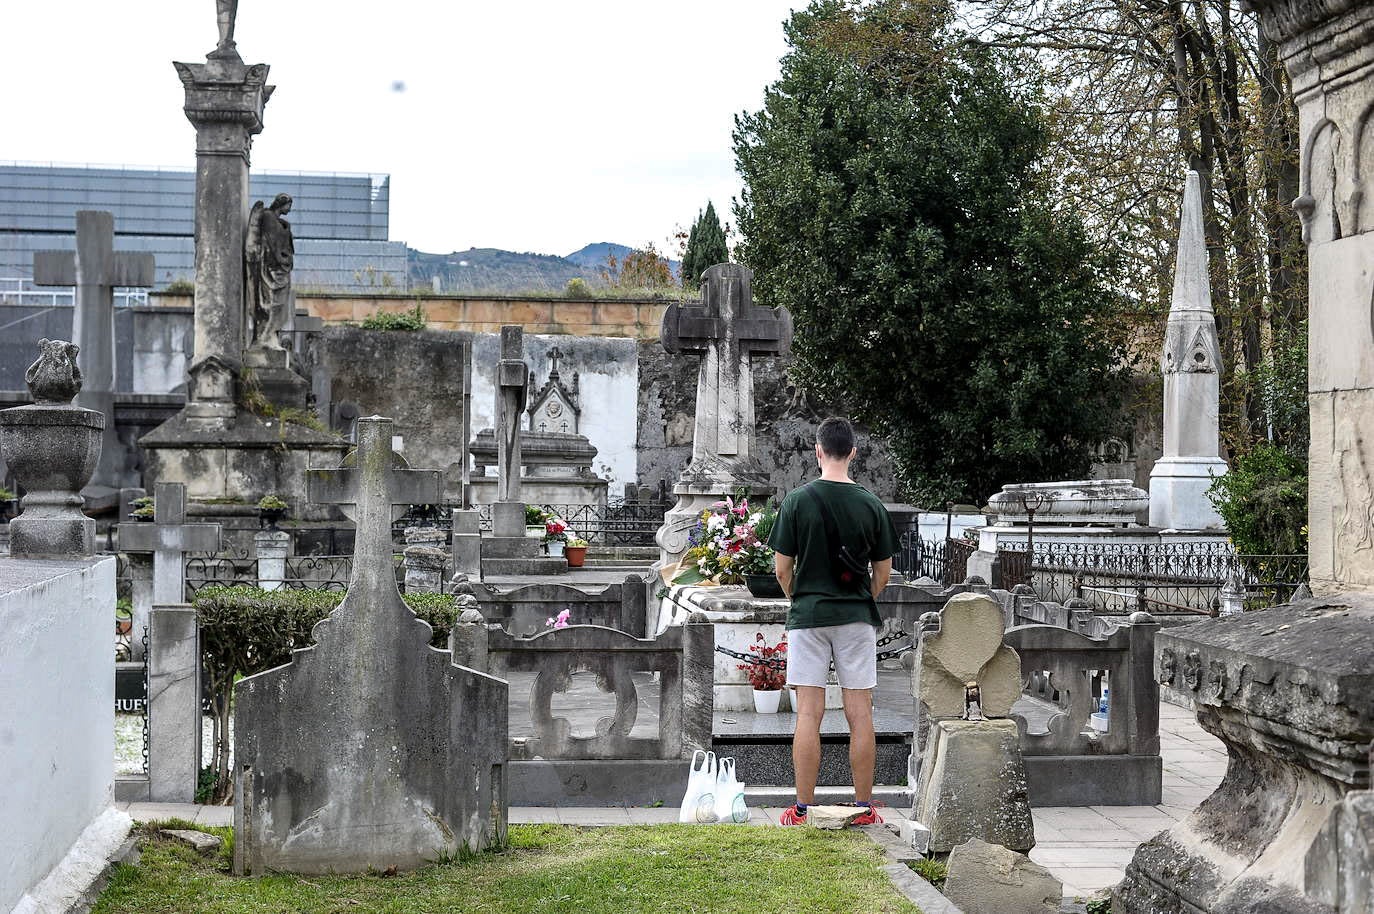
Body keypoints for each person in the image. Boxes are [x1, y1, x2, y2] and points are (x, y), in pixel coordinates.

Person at [768, 416, 899, 826]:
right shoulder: (871, 504)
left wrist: (800, 599)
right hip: (856, 617)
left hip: (809, 616)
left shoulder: (796, 501)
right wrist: (859, 599)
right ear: (854, 453)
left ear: (818, 451)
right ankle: (863, 807)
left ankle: (802, 808)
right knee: (860, 713)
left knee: (809, 713)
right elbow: (883, 573)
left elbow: (781, 570)